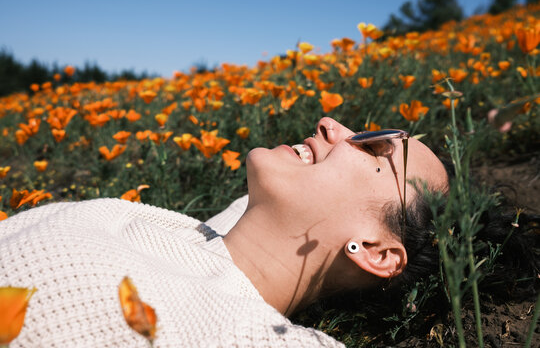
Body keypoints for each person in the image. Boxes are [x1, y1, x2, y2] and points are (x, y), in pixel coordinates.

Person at [0, 116, 516, 347]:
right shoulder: (198, 234)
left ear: (379, 253)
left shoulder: (252, 336)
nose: (330, 124)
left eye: (375, 146)